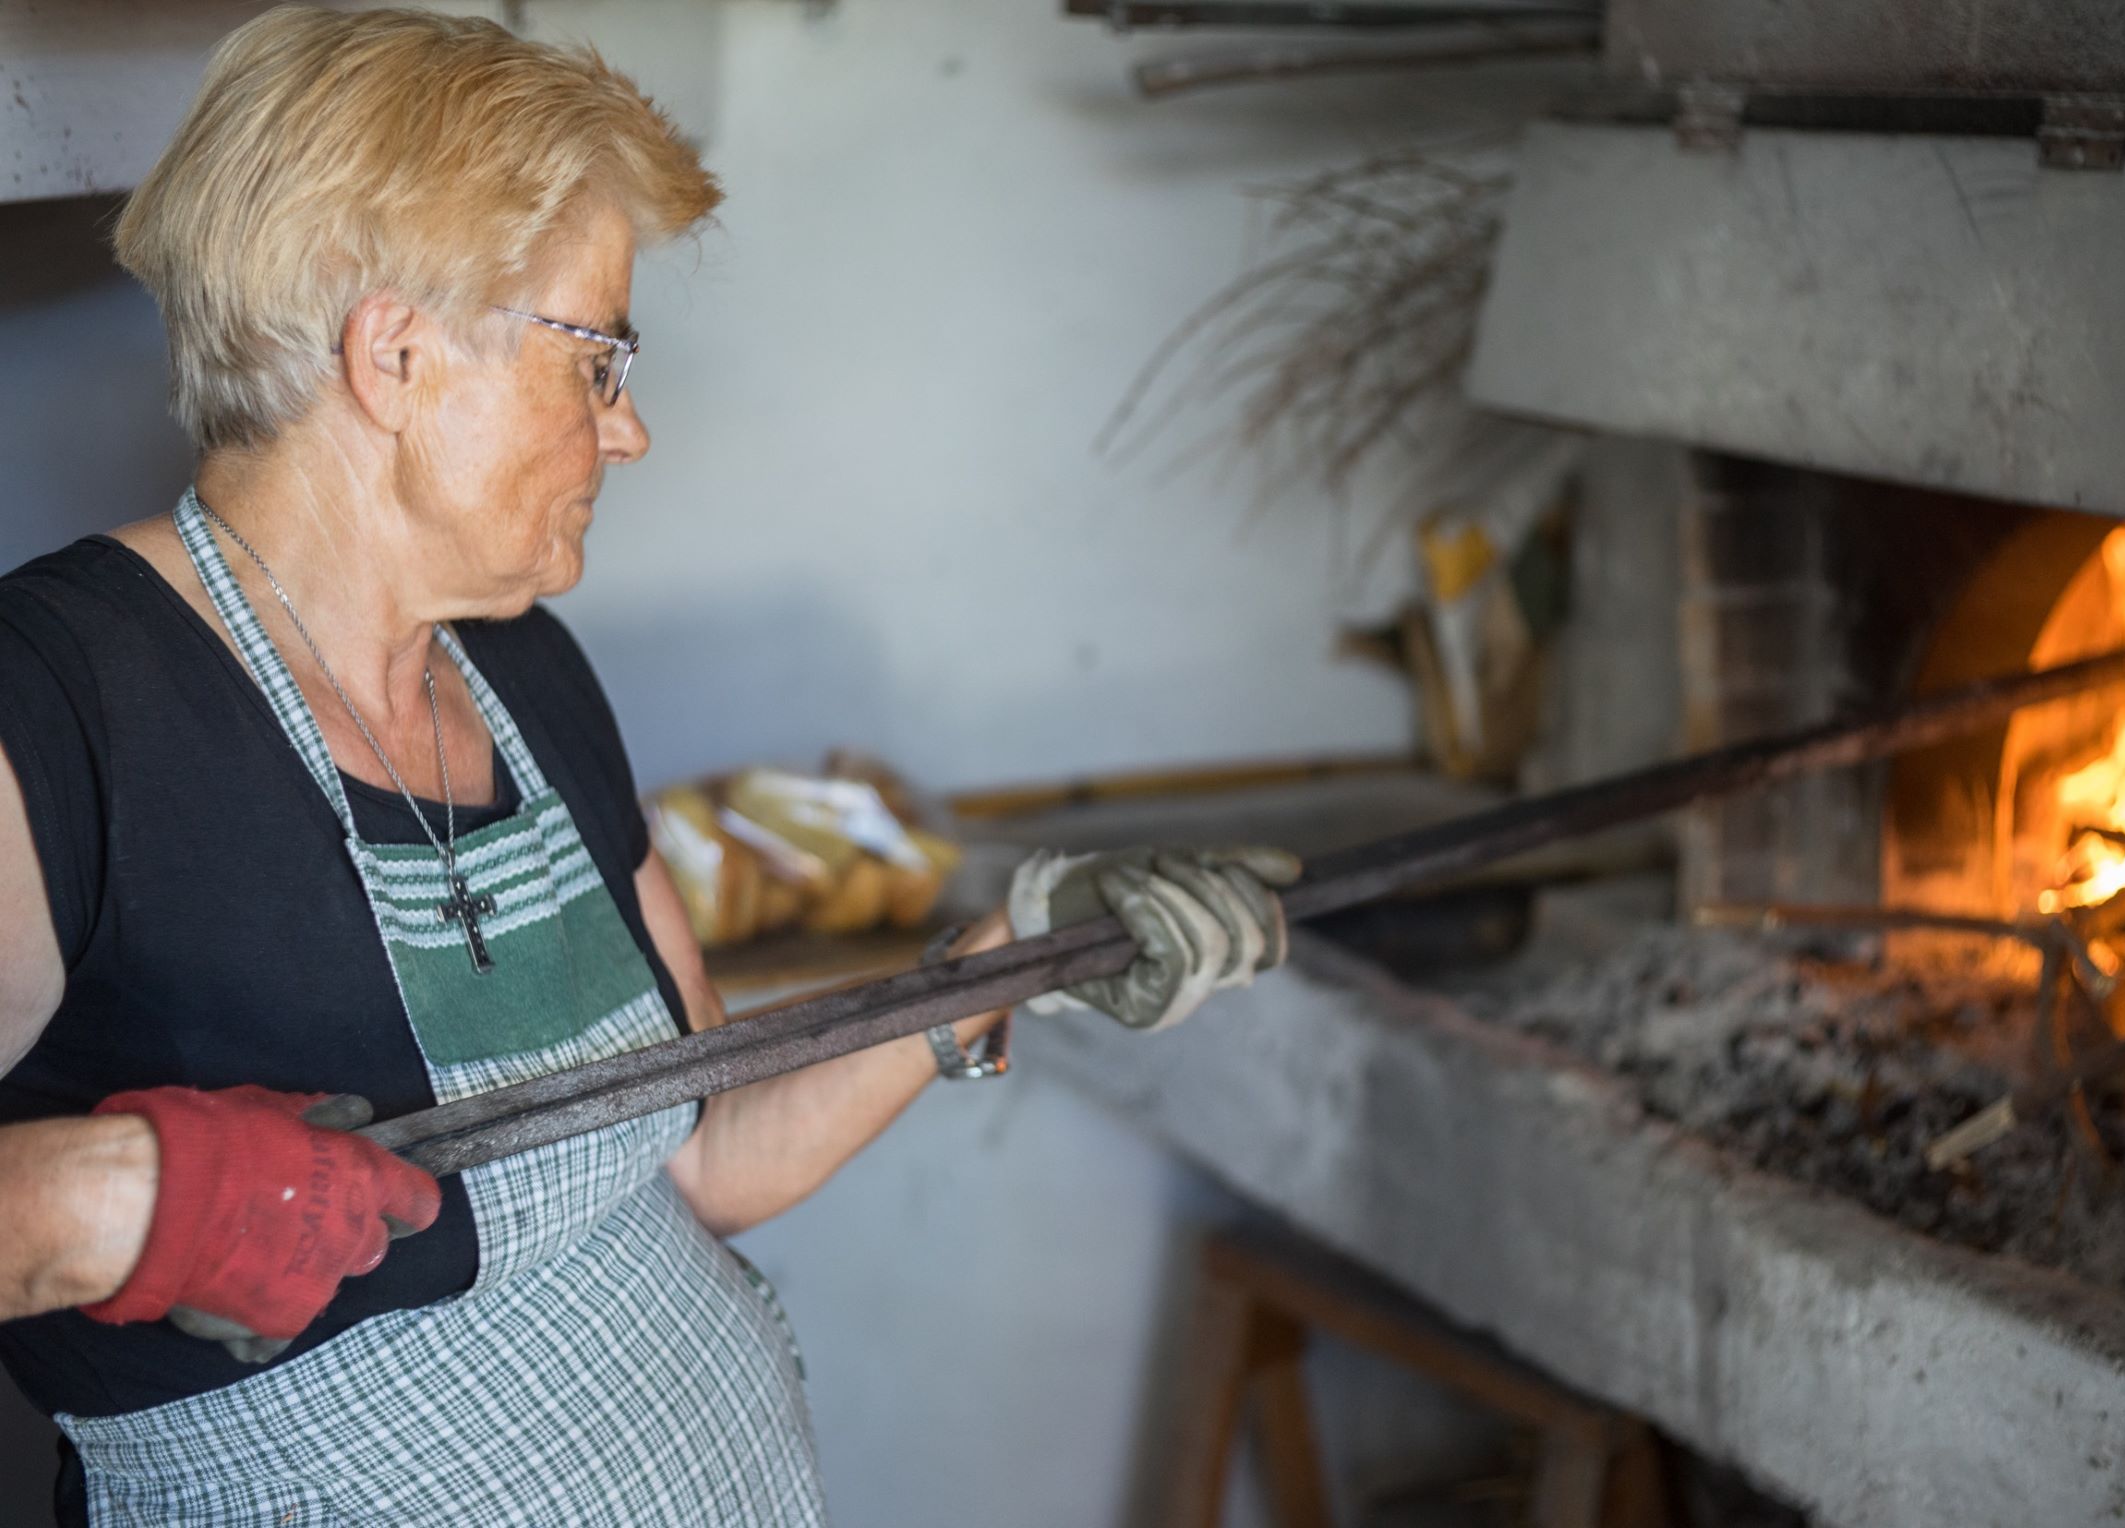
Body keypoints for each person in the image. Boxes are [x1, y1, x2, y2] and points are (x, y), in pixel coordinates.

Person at [0, 9, 1296, 1524]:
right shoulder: (61, 706)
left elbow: (704, 1151)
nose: (630, 431)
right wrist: (109, 1201)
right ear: (397, 354)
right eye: (598, 359)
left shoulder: (523, 668)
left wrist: (1009, 958)